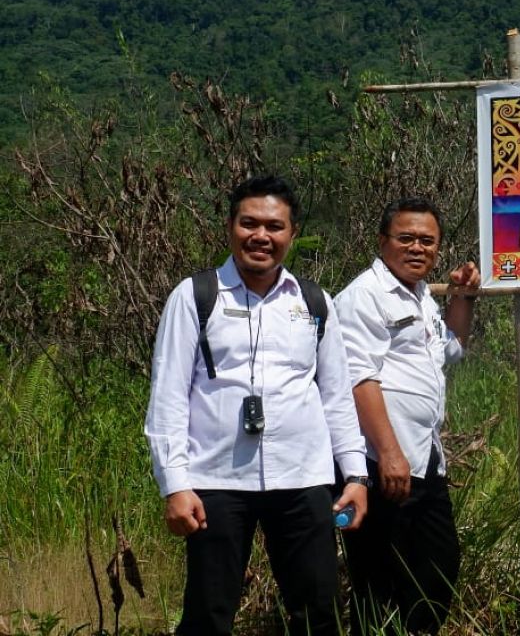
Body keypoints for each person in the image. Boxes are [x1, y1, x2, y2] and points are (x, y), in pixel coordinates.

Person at [144, 175, 369, 636]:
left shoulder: (314, 302)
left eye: (275, 226)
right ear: (230, 226)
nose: (261, 236)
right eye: (249, 223)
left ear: (292, 233)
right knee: (208, 614)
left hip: (303, 477)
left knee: (318, 613)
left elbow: (336, 396)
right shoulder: (194, 297)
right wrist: (174, 484)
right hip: (216, 481)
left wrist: (355, 476)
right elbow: (167, 397)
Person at [334, 197, 481, 635]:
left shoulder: (421, 297)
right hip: (383, 467)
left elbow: (450, 348)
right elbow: (359, 378)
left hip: (426, 463)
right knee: (376, 586)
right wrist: (389, 452)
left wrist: (463, 297)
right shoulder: (364, 296)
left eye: (427, 241)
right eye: (406, 239)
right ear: (383, 242)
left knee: (437, 570)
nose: (417, 248)